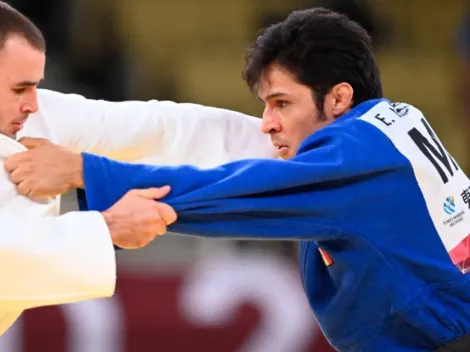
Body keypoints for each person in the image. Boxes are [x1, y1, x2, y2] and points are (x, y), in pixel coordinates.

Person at [10, 7, 470, 352]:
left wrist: (84, 170)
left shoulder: (356, 156)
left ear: (338, 99)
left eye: (282, 104)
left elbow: (241, 191)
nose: (267, 123)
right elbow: (220, 144)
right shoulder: (389, 126)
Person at [0, 1, 276, 336]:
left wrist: (288, 144)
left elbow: (159, 130)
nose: (32, 103)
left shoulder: (39, 116)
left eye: (35, 85)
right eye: (19, 89)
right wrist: (105, 229)